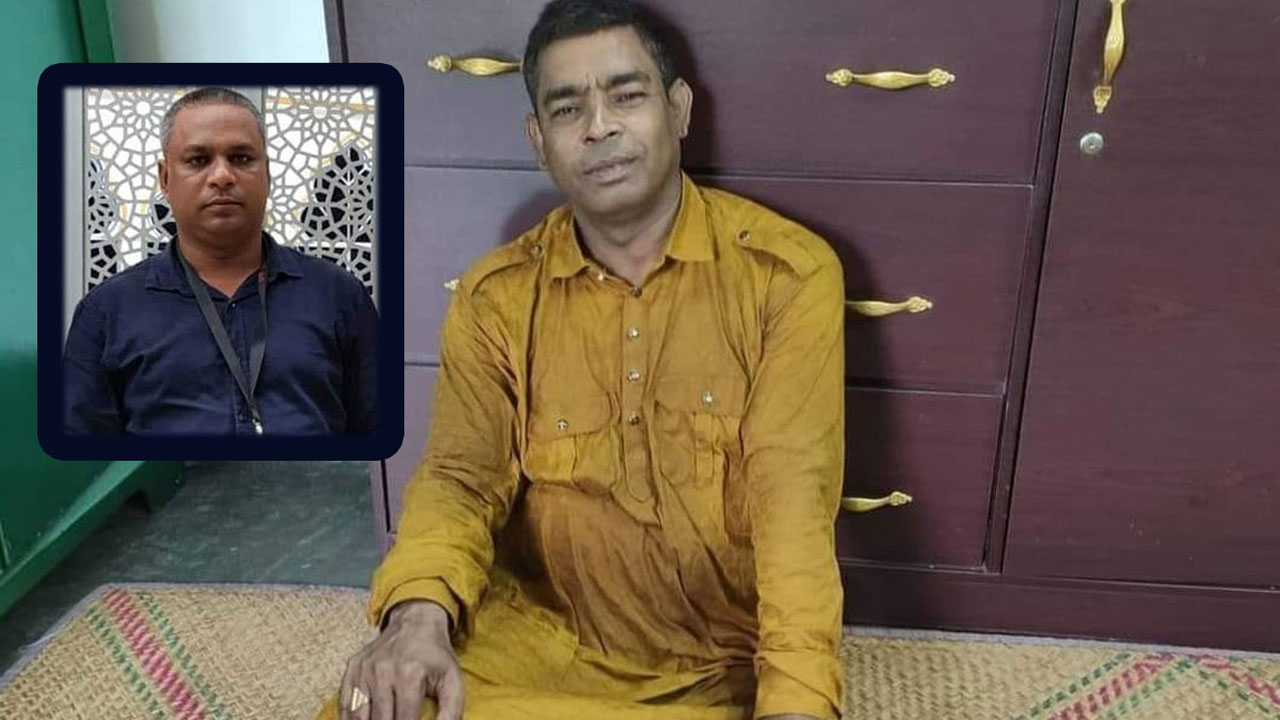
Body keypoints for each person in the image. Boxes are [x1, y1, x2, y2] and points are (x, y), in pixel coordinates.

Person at [324, 0, 844, 717]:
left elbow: (795, 501)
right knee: (376, 703)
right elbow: (459, 480)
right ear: (539, 140)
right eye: (568, 110)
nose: (599, 127)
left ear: (679, 109)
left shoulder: (786, 276)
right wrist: (415, 618)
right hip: (542, 642)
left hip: (720, 664)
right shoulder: (496, 296)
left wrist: (797, 702)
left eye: (627, 96)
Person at [62, 87, 379, 436]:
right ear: (165, 179)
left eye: (241, 158)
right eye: (198, 160)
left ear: (267, 173)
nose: (222, 176)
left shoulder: (338, 296)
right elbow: (87, 456)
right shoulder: (107, 312)